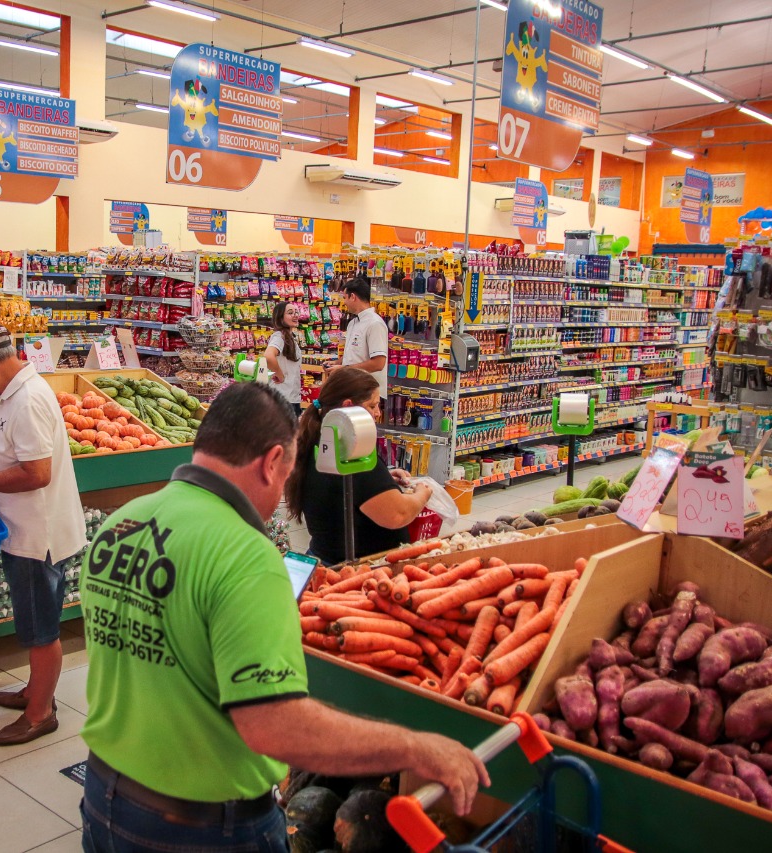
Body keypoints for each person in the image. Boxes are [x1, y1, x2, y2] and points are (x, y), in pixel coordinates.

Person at [79, 382, 486, 853]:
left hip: (105, 797)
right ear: (272, 461)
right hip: (204, 824)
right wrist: (417, 748)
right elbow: (275, 725)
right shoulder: (245, 555)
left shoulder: (121, 523)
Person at [0, 320, 86, 746]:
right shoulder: (15, 392)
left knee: (41, 628)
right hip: (25, 529)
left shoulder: (26, 400)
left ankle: (41, 713)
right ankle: (35, 691)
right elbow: (11, 446)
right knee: (32, 620)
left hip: (37, 535)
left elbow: (36, 473)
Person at [286, 367, 432, 566]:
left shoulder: (316, 438)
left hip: (326, 558)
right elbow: (399, 514)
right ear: (349, 406)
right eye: (372, 406)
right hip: (362, 569)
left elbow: (340, 488)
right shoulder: (354, 454)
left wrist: (384, 479)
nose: (378, 413)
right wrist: (422, 493)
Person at [329, 276, 389, 401]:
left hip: (368, 394)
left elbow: (379, 363)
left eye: (345, 298)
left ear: (353, 297)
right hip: (353, 389)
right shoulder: (353, 323)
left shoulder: (375, 324)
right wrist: (337, 363)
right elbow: (355, 354)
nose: (344, 302)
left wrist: (344, 369)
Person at [264, 301, 303, 418]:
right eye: (290, 313)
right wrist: (279, 374)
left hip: (289, 396)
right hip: (283, 397)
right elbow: (268, 356)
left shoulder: (288, 337)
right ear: (280, 318)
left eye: (296, 312)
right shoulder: (279, 336)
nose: (295, 315)